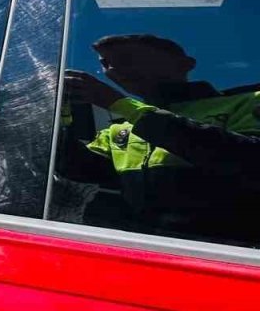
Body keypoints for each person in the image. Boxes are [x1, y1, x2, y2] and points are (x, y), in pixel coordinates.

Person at [62, 34, 260, 244]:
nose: (113, 69)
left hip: (229, 252)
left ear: (185, 64)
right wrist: (59, 115)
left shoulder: (248, 102)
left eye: (127, 58)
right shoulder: (120, 129)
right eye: (105, 63)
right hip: (141, 249)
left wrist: (123, 105)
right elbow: (80, 170)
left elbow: (250, 161)